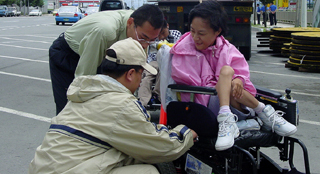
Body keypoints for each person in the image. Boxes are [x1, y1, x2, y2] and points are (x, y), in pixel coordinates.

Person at [29, 38, 197, 174]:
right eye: (142, 74)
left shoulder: (84, 92)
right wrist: (187, 133)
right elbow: (161, 146)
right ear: (131, 74)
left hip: (43, 167)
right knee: (147, 171)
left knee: (127, 154)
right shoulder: (122, 104)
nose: (141, 82)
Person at [170, 0, 297, 151]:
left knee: (229, 74)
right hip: (203, 102)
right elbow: (188, 82)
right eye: (192, 31)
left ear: (217, 31)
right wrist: (228, 81)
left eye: (201, 33)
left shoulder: (227, 49)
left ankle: (232, 119)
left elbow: (242, 74)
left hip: (234, 104)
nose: (195, 37)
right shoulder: (184, 50)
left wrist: (238, 80)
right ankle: (264, 113)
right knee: (227, 73)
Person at [49, 4, 164, 114]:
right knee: (72, 107)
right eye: (143, 38)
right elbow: (83, 79)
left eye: (152, 40)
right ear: (130, 23)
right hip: (68, 54)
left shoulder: (142, 34)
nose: (145, 45)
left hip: (102, 55)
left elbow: (133, 76)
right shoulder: (105, 32)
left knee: (106, 106)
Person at [138, 21, 182, 107]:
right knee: (147, 76)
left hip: (169, 61)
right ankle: (143, 102)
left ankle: (157, 95)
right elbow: (152, 52)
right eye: (159, 34)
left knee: (164, 73)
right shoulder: (153, 36)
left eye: (163, 33)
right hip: (155, 61)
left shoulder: (176, 34)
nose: (161, 37)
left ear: (168, 26)